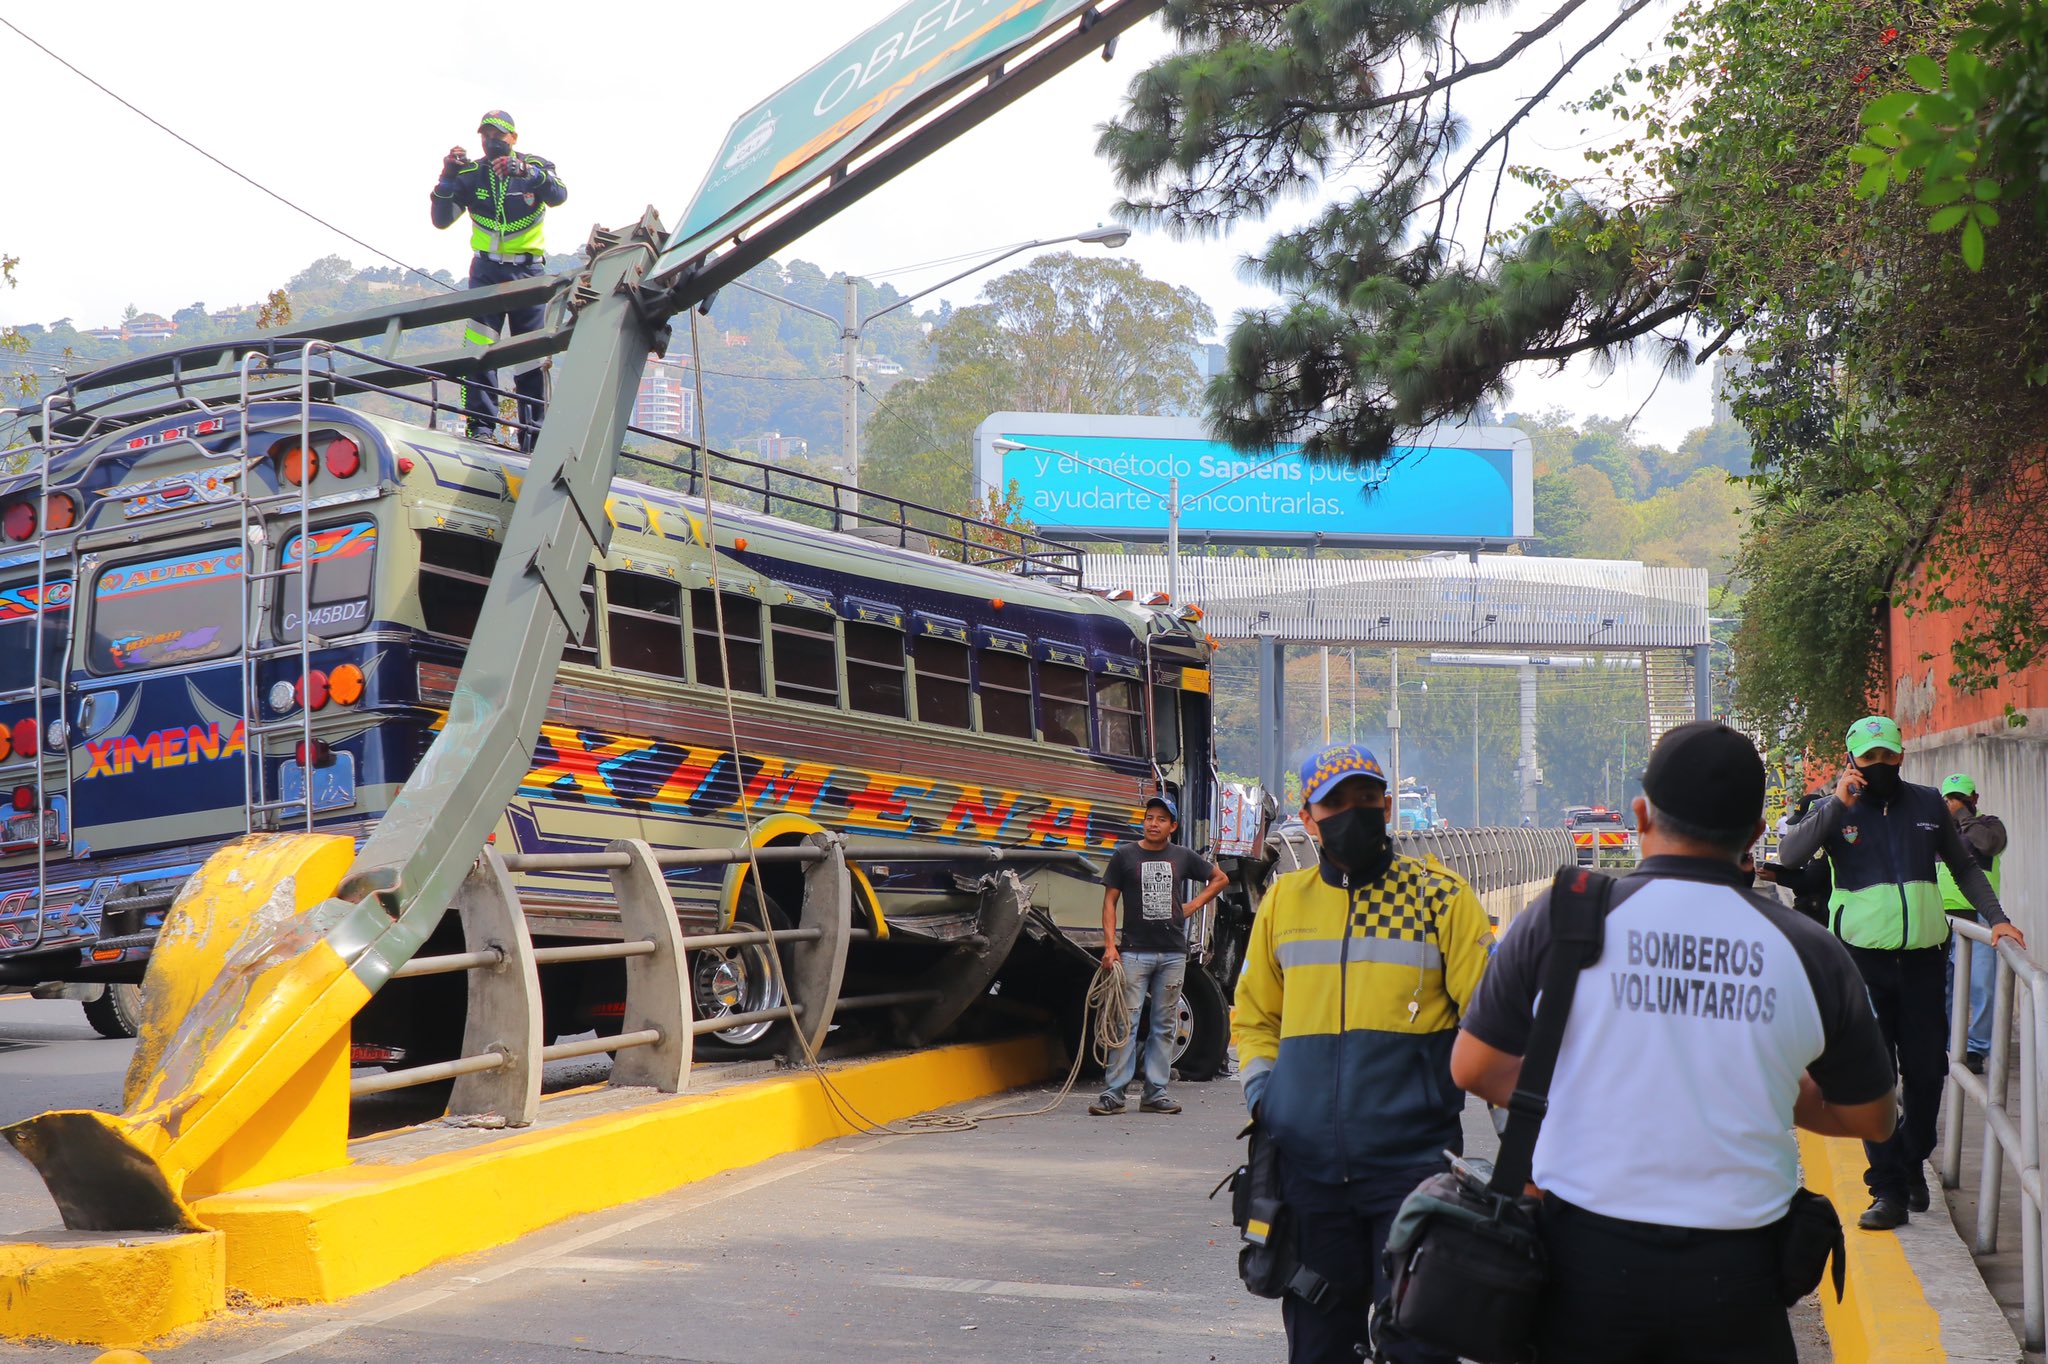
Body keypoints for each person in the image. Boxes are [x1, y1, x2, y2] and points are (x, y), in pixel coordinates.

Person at [1452, 722, 1897, 1364]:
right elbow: (1874, 1118)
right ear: (1752, 837)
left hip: (1580, 1267)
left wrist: (1601, 1079)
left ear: (1640, 814)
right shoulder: (1810, 951)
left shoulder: (1565, 913)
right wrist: (1763, 1083)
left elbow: (1474, 1064)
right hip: (1739, 1279)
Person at [1233, 743, 1494, 1364]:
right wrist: (1267, 1098)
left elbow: (1493, 1023)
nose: (1355, 811)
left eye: (1367, 797)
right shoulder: (1283, 903)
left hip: (1413, 1170)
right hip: (1307, 1175)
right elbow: (1255, 1016)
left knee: (1418, 1345)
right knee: (1318, 1346)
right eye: (1336, 801)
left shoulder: (1440, 898)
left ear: (1387, 803)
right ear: (1307, 815)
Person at [1777, 715, 2024, 1230]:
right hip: (1861, 961)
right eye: (1870, 758)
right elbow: (1791, 853)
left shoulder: (1928, 803)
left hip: (1922, 959)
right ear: (1852, 761)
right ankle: (1886, 1188)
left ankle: (1911, 1158)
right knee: (1877, 1078)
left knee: (1928, 1073)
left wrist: (1998, 920)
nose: (1881, 765)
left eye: (1889, 755)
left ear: (1901, 755)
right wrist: (1835, 807)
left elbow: (1963, 867)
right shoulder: (1836, 808)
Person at [430, 110, 568, 449]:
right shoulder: (472, 173)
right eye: (486, 135)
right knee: (479, 353)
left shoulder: (535, 164)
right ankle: (481, 427)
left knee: (530, 357)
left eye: (499, 135)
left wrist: (528, 173)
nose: (492, 142)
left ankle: (533, 434)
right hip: (486, 272)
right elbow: (441, 219)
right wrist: (447, 177)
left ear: (513, 138)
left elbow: (560, 194)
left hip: (528, 272)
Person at [1090, 795, 1228, 1116]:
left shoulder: (1182, 856)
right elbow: (1110, 902)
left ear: (1173, 826)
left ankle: (1155, 1092)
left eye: (1161, 819)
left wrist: (1193, 906)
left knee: (1164, 1024)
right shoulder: (1125, 856)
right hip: (1134, 953)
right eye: (1150, 817)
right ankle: (1114, 1094)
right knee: (1126, 1022)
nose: (1154, 823)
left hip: (1172, 954)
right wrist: (1110, 946)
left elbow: (1220, 878)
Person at [1938, 773, 2008, 1074]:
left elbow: (1988, 845)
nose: (1953, 804)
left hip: (1979, 917)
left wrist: (1965, 816)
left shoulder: (1990, 826)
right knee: (1945, 989)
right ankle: (1949, 1046)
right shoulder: (1937, 831)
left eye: (1960, 798)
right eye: (1949, 799)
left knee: (1982, 987)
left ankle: (1976, 1048)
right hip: (1942, 916)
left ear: (1973, 799)